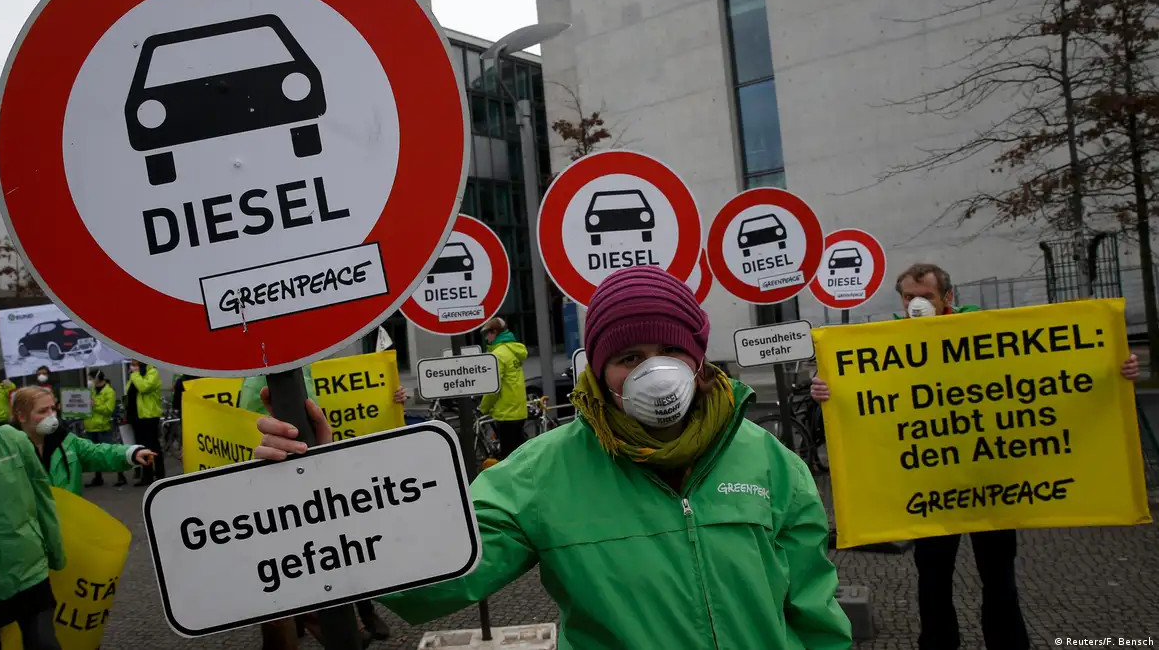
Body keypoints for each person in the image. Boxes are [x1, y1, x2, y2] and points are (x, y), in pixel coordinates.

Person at [255, 266, 853, 648]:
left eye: (671, 351)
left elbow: (814, 612)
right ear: (599, 369)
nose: (654, 372)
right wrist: (330, 492)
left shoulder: (771, 463)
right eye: (629, 357)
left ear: (698, 360)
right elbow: (431, 580)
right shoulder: (542, 474)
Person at [810, 262, 1140, 650]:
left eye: (926, 296)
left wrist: (1114, 366)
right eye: (909, 297)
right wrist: (827, 390)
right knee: (933, 578)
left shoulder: (980, 330)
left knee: (999, 577)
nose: (916, 304)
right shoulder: (886, 342)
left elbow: (1045, 372)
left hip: (991, 482)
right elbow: (867, 395)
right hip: (931, 485)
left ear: (947, 297)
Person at [239, 365, 409, 646]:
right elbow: (246, 431)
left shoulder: (306, 367)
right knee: (286, 581)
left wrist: (389, 397)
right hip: (278, 491)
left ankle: (352, 621)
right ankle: (338, 626)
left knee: (332, 552)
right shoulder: (258, 376)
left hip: (315, 476)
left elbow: (336, 405)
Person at [0, 376, 66, 650]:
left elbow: (43, 499)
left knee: (44, 644)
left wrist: (55, 553)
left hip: (28, 569)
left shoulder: (15, 441)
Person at [10, 386, 156, 496]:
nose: (51, 416)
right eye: (43, 411)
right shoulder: (6, 450)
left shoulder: (66, 441)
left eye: (52, 409)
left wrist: (130, 453)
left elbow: (96, 452)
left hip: (69, 521)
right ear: (22, 416)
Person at [478, 317, 529, 459]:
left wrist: (484, 408)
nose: (486, 338)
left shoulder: (498, 355)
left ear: (494, 332)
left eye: (487, 334)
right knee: (519, 455)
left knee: (508, 458)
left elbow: (493, 387)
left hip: (506, 413)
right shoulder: (513, 350)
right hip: (519, 411)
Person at [83, 370, 128, 487]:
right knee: (93, 454)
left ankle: (121, 475)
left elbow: (108, 410)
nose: (89, 381)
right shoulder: (91, 390)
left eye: (91, 378)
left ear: (97, 378)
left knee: (111, 452)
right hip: (90, 426)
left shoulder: (109, 391)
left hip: (103, 427)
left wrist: (94, 405)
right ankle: (98, 477)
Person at [126, 360, 164, 486]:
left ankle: (160, 474)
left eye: (135, 364)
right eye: (131, 364)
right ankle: (147, 475)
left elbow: (144, 387)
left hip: (149, 415)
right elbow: (128, 390)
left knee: (153, 445)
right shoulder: (135, 376)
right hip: (136, 416)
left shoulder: (152, 373)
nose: (132, 367)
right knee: (142, 447)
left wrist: (135, 374)